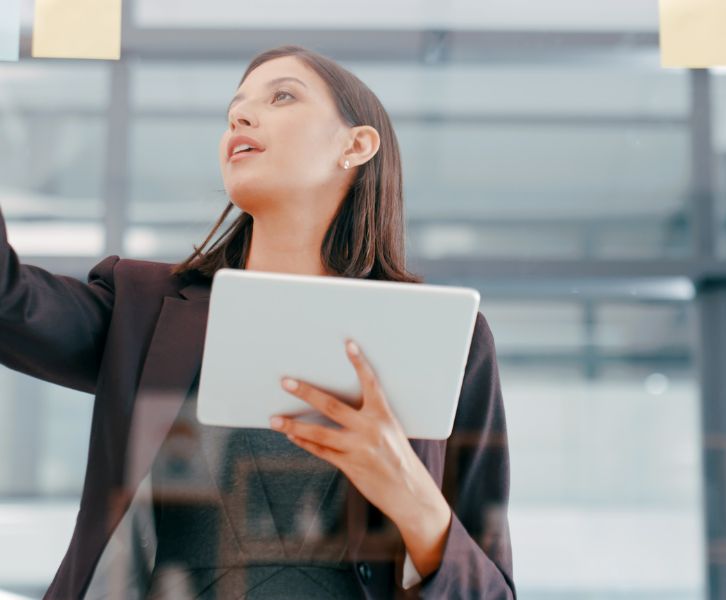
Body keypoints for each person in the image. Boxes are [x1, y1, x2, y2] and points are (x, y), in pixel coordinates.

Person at [0, 44, 515, 598]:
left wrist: (412, 497)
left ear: (357, 144)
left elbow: (490, 591)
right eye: (234, 112)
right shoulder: (143, 309)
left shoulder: (447, 342)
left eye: (283, 96)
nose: (240, 118)